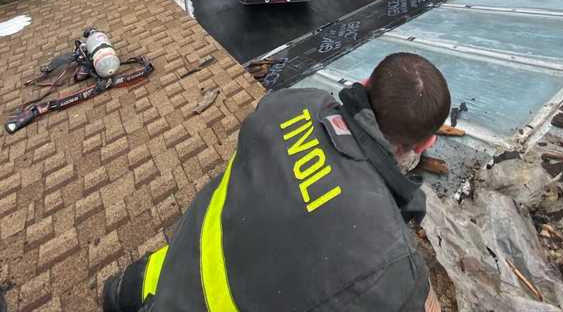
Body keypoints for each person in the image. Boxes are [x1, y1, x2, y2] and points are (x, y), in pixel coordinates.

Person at [103, 52, 449, 312]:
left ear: (364, 85)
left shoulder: (297, 103)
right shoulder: (390, 263)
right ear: (425, 144)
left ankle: (117, 295)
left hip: (173, 264)